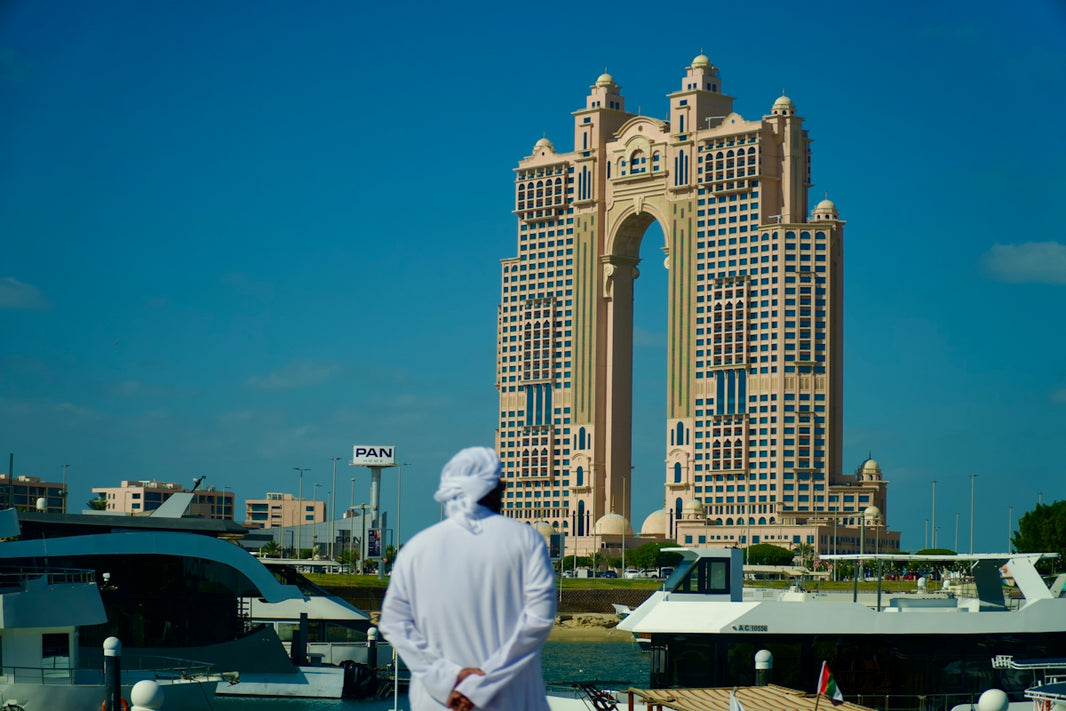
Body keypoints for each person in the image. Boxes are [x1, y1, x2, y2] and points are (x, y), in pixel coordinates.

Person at [379, 446, 557, 711]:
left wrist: (448, 678)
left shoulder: (416, 548)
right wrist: (477, 687)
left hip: (439, 702)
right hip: (510, 700)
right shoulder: (525, 539)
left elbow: (394, 623)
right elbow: (538, 621)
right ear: (495, 490)